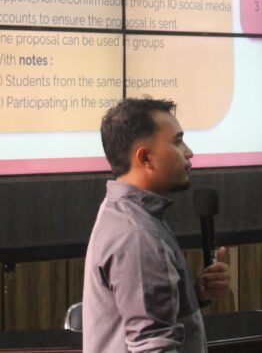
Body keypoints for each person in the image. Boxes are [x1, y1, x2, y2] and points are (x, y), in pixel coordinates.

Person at [83, 97, 231, 352]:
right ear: (145, 157)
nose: (189, 152)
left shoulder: (126, 214)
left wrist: (195, 293)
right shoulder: (135, 234)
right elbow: (153, 346)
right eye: (177, 141)